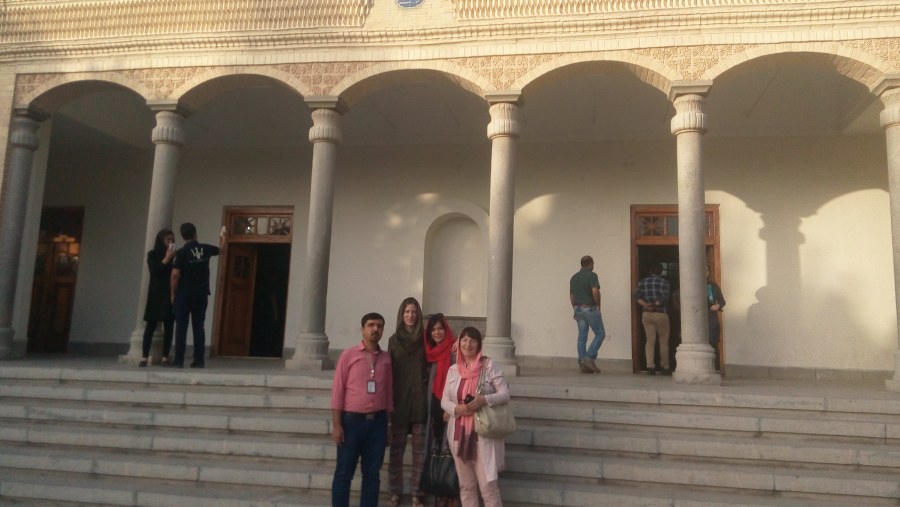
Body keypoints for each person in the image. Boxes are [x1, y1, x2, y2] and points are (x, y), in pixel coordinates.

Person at [441, 327, 509, 507]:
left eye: (472, 340)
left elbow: (505, 394)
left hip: (483, 435)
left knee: (489, 488)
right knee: (466, 487)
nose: (468, 344)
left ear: (479, 344)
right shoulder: (454, 370)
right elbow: (444, 400)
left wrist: (484, 400)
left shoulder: (488, 366)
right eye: (464, 339)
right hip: (458, 435)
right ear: (459, 342)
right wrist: (457, 409)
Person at [331, 312, 394, 507]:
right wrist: (337, 425)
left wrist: (389, 425)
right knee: (344, 473)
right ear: (362, 329)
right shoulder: (348, 355)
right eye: (371, 325)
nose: (376, 329)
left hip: (378, 423)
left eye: (380, 326)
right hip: (352, 423)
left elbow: (389, 393)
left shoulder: (386, 359)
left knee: (372, 475)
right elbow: (338, 391)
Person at [387, 297, 428, 507]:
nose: (410, 315)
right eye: (407, 312)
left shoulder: (425, 339)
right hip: (399, 400)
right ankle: (395, 491)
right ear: (401, 315)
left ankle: (416, 493)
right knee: (396, 451)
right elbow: (389, 371)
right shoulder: (394, 341)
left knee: (420, 452)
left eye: (414, 312)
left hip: (420, 401)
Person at [169, 222, 221, 368]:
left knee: (181, 327)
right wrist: (223, 237)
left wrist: (172, 293)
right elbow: (222, 249)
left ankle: (179, 360)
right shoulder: (205, 249)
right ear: (195, 233)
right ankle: (199, 360)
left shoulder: (181, 253)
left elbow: (175, 275)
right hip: (201, 294)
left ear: (182, 236)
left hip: (184, 295)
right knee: (199, 327)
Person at [423, 313, 458, 507]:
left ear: (446, 329)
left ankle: (451, 493)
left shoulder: (454, 350)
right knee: (435, 446)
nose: (437, 332)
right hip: (433, 406)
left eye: (440, 328)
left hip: (450, 407)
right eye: (433, 329)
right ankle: (439, 490)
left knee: (450, 448)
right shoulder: (429, 352)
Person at [139, 228, 176, 367]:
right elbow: (154, 271)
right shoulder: (153, 254)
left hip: (170, 292)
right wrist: (166, 258)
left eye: (172, 239)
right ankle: (144, 356)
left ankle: (165, 357)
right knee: (150, 325)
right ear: (161, 240)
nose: (171, 242)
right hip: (156, 292)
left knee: (169, 325)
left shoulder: (175, 256)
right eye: (168, 239)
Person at [569, 255, 605, 374]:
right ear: (590, 264)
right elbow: (595, 291)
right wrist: (598, 304)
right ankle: (589, 358)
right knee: (600, 333)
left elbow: (572, 295)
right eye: (593, 264)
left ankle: (582, 362)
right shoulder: (592, 275)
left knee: (582, 335)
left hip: (578, 308)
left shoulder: (574, 277)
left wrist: (575, 308)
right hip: (589, 308)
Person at [635, 263, 671, 376]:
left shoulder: (642, 282)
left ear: (650, 271)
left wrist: (645, 305)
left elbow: (636, 297)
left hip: (647, 314)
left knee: (650, 341)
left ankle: (650, 367)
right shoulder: (664, 282)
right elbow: (664, 297)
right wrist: (655, 304)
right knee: (663, 340)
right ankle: (665, 366)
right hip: (660, 313)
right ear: (661, 272)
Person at [706, 265, 726, 373]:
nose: (704, 272)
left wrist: (718, 306)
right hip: (697, 318)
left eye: (706, 270)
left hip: (711, 317)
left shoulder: (713, 286)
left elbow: (722, 301)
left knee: (713, 342)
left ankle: (716, 368)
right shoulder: (693, 285)